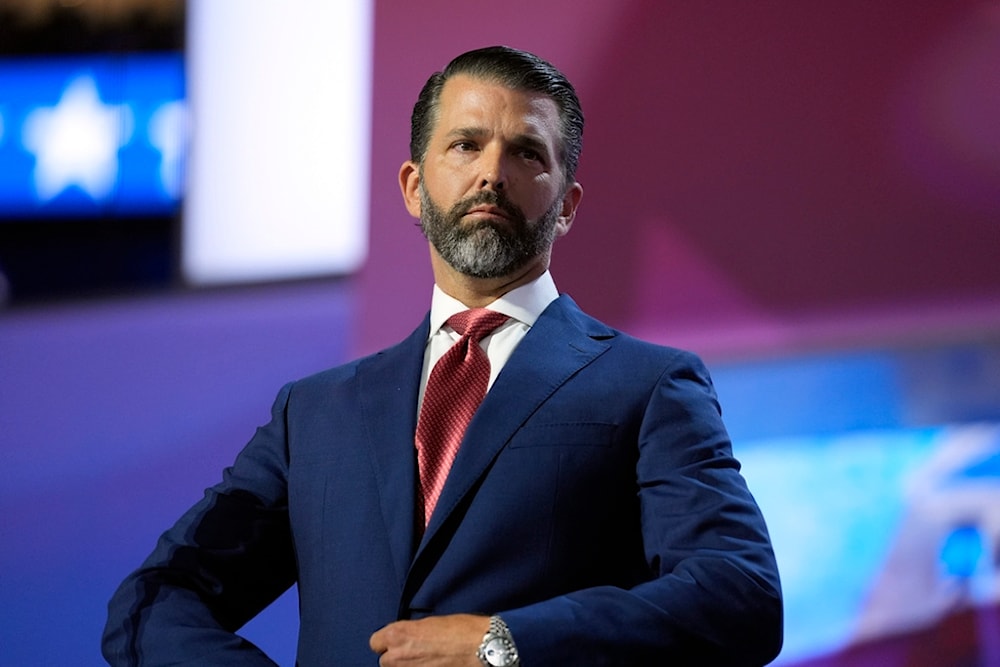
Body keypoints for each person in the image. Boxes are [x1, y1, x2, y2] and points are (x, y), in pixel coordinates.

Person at [103, 45, 783, 666]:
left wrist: (506, 644)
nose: (492, 172)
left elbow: (739, 592)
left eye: (526, 153)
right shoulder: (314, 412)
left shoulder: (649, 385)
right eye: (465, 144)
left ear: (567, 205)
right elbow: (157, 600)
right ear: (411, 186)